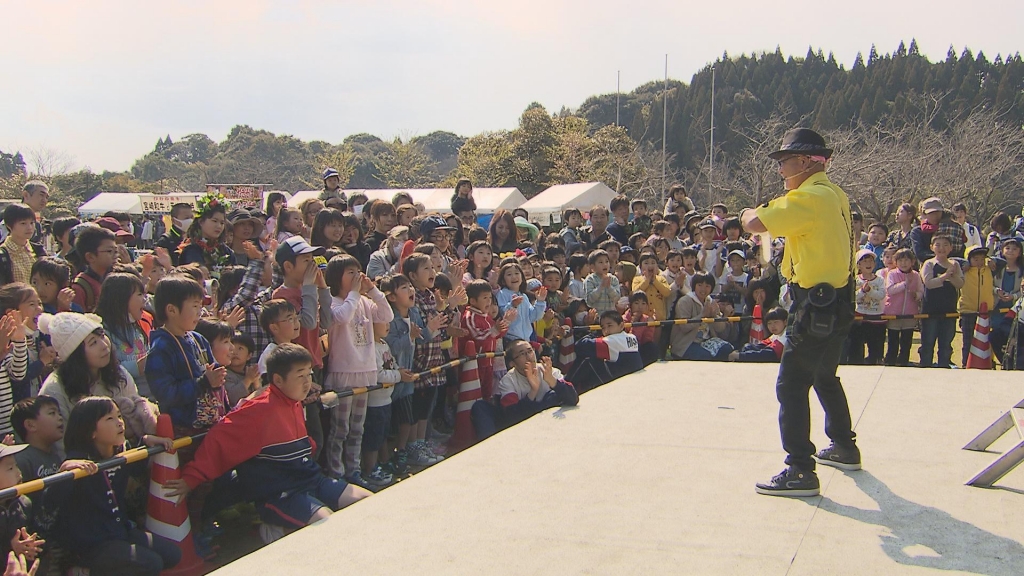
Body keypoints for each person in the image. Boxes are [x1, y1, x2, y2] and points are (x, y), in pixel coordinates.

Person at [740, 127, 860, 497]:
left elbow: (754, 223)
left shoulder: (809, 198)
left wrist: (746, 210)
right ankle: (843, 444)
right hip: (839, 299)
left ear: (807, 161)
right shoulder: (832, 193)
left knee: (792, 384)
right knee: (825, 375)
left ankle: (800, 469)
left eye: (786, 161)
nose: (781, 169)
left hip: (816, 303)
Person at [55, 397, 179, 576]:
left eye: (119, 416)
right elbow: (51, 499)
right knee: (151, 564)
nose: (120, 422)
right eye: (110, 419)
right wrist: (64, 473)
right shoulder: (78, 461)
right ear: (91, 431)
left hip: (120, 531)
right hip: (92, 543)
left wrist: (146, 442)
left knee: (172, 554)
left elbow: (135, 468)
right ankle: (83, 571)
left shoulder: (119, 450)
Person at [323, 255, 394, 484]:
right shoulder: (333, 301)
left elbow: (386, 315)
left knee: (357, 428)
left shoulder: (363, 301)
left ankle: (354, 470)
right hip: (343, 372)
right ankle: (336, 472)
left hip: (365, 371)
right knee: (340, 428)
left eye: (357, 271)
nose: (356, 277)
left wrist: (372, 290)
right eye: (350, 273)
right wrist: (354, 293)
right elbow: (342, 317)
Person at [145, 276, 222, 434]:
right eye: (194, 306)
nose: (199, 312)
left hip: (209, 422)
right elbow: (166, 394)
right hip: (183, 429)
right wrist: (203, 382)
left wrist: (217, 376)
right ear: (172, 310)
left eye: (200, 306)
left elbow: (214, 370)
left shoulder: (198, 339)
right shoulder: (161, 348)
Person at [381, 274, 434, 472]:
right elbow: (390, 347)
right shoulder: (390, 320)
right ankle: (385, 457)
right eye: (404, 288)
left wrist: (430, 329)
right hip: (391, 377)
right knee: (388, 420)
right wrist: (409, 336)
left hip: (408, 376)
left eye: (410, 287)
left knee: (406, 417)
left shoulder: (413, 314)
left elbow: (420, 339)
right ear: (392, 297)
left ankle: (402, 449)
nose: (411, 290)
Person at [94, 273, 151, 398]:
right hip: (126, 399)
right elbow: (109, 371)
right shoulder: (103, 332)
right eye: (139, 294)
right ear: (121, 298)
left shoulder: (135, 327)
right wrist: (141, 365)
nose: (144, 299)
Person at [497, 340, 578, 425]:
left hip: (553, 423)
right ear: (512, 363)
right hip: (528, 428)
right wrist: (533, 391)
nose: (529, 356)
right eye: (522, 354)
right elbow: (512, 418)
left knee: (552, 396)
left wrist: (553, 381)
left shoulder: (547, 370)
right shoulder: (508, 381)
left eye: (530, 351)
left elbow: (573, 399)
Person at [918, 235, 963, 368]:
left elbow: (960, 284)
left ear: (951, 248)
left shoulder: (955, 264)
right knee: (928, 342)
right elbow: (929, 283)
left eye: (945, 245)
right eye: (938, 245)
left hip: (949, 310)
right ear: (932, 247)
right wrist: (945, 276)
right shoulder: (929, 264)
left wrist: (952, 274)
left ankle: (944, 366)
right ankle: (925, 366)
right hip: (930, 310)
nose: (941, 248)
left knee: (946, 343)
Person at [567, 311, 642, 390]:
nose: (606, 331)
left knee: (588, 360)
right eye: (603, 328)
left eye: (609, 325)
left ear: (621, 325)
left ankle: (566, 386)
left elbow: (580, 345)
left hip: (620, 382)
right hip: (631, 378)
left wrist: (594, 333)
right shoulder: (632, 337)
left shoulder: (611, 340)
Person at [668, 272, 734, 361]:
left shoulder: (710, 301)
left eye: (707, 286)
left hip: (706, 340)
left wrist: (714, 316)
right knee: (705, 356)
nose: (703, 289)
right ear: (694, 286)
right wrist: (702, 315)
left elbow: (721, 329)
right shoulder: (685, 301)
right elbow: (684, 327)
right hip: (687, 343)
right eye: (700, 285)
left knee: (727, 349)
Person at [178, 193, 235, 278]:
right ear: (201, 222)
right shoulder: (191, 249)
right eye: (214, 221)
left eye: (222, 223)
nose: (219, 226)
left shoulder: (226, 251)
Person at [883, 249, 924, 366]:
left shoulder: (916, 275)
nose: (904, 263)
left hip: (910, 313)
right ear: (896, 262)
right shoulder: (892, 274)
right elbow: (890, 290)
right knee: (893, 339)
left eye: (907, 260)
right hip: (893, 312)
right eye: (900, 260)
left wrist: (917, 295)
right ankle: (890, 360)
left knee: (906, 340)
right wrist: (904, 284)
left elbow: (921, 290)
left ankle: (903, 360)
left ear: (912, 262)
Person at [958, 245, 994, 367]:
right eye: (975, 259)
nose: (979, 262)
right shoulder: (963, 271)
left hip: (986, 312)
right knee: (968, 340)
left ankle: (988, 363)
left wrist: (990, 260)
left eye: (982, 259)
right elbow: (952, 259)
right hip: (968, 311)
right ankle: (965, 363)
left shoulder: (989, 269)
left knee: (986, 340)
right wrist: (964, 263)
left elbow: (1002, 261)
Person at [848, 250, 886, 365]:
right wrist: (862, 291)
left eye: (871, 261)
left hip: (876, 317)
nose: (868, 264)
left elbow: (881, 295)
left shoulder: (879, 280)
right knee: (856, 346)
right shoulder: (855, 280)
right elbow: (852, 297)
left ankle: (874, 363)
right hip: (859, 317)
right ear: (859, 265)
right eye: (864, 261)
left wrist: (870, 291)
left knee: (875, 346)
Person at [0, 204, 47, 286]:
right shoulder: (3, 255)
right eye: (23, 223)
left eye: (32, 223)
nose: (29, 227)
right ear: (9, 226)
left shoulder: (38, 250)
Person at [910, 197, 966, 262]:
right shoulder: (917, 232)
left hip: (953, 265)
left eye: (938, 212)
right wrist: (941, 258)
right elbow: (921, 254)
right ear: (924, 214)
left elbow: (960, 249)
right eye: (931, 213)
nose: (935, 216)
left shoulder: (951, 228)